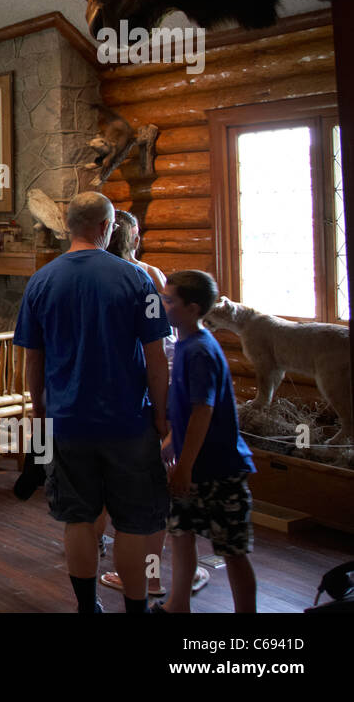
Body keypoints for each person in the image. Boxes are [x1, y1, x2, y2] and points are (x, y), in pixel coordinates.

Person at [13, 191, 171, 613]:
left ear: (68, 226)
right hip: (129, 422)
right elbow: (157, 358)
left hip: (67, 422)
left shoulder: (41, 281)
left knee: (79, 519)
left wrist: (40, 417)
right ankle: (136, 607)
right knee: (135, 522)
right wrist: (162, 417)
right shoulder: (138, 280)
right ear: (105, 228)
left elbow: (33, 359)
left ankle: (89, 608)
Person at [99, 210, 210, 597]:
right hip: (154, 392)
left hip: (125, 397)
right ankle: (153, 575)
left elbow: (163, 344)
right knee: (150, 494)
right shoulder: (147, 274)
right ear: (133, 236)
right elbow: (165, 345)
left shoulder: (107, 277)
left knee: (137, 493)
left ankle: (151, 576)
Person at [156, 270, 257, 613]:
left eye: (170, 300)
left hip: (218, 469)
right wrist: (170, 445)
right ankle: (177, 604)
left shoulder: (200, 349)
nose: (163, 304)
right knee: (180, 534)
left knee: (232, 550)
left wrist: (183, 467)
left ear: (193, 308)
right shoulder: (184, 344)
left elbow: (203, 412)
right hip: (191, 464)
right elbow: (184, 413)